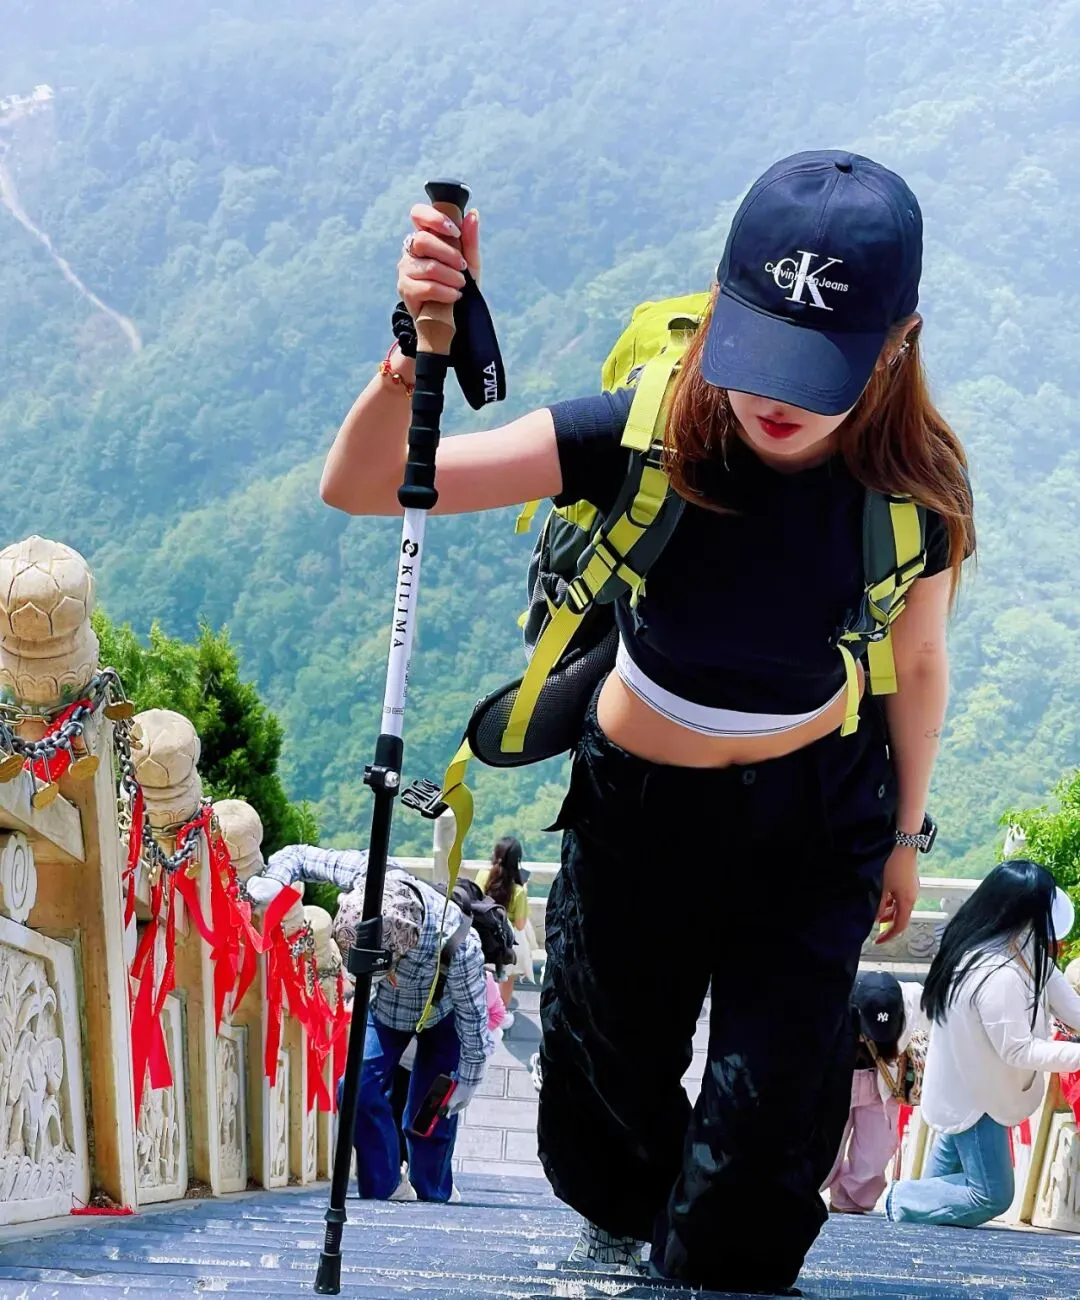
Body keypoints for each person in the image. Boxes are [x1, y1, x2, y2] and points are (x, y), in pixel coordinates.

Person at [319, 150, 975, 1293]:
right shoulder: (645, 433)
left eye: (817, 367)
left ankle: (710, 1232)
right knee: (603, 1130)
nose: (775, 397)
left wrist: (905, 836)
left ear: (895, 343)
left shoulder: (914, 489)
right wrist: (410, 355)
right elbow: (369, 482)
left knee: (755, 1197)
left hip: (816, 822)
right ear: (720, 303)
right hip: (639, 814)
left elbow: (916, 664)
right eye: (758, 346)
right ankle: (649, 1213)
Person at [271, 846, 492, 1205]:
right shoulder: (371, 876)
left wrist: (469, 1078)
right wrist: (274, 881)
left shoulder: (459, 945)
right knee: (355, 1088)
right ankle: (386, 1185)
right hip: (386, 1012)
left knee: (428, 1114)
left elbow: (474, 1020)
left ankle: (434, 1190)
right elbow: (297, 856)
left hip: (443, 1016)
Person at [887, 861, 1080, 1228]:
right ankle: (899, 1199)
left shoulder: (1021, 950)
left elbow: (1073, 1009)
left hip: (973, 1086)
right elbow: (1018, 1050)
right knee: (990, 1194)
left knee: (936, 1200)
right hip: (977, 1098)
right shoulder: (996, 972)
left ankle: (908, 1221)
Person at [823, 971, 928, 1214]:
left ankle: (848, 1205)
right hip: (838, 1081)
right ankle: (804, 1196)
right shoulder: (833, 999)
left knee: (875, 1155)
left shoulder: (915, 999)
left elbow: (945, 1015)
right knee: (824, 1152)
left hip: (884, 1081)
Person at [475, 836, 530, 1020]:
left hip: (482, 936)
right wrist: (525, 891)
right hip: (506, 942)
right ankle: (499, 1016)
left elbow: (475, 901)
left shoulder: (482, 876)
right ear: (517, 861)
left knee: (482, 977)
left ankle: (482, 1012)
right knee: (507, 978)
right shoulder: (518, 891)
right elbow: (520, 925)